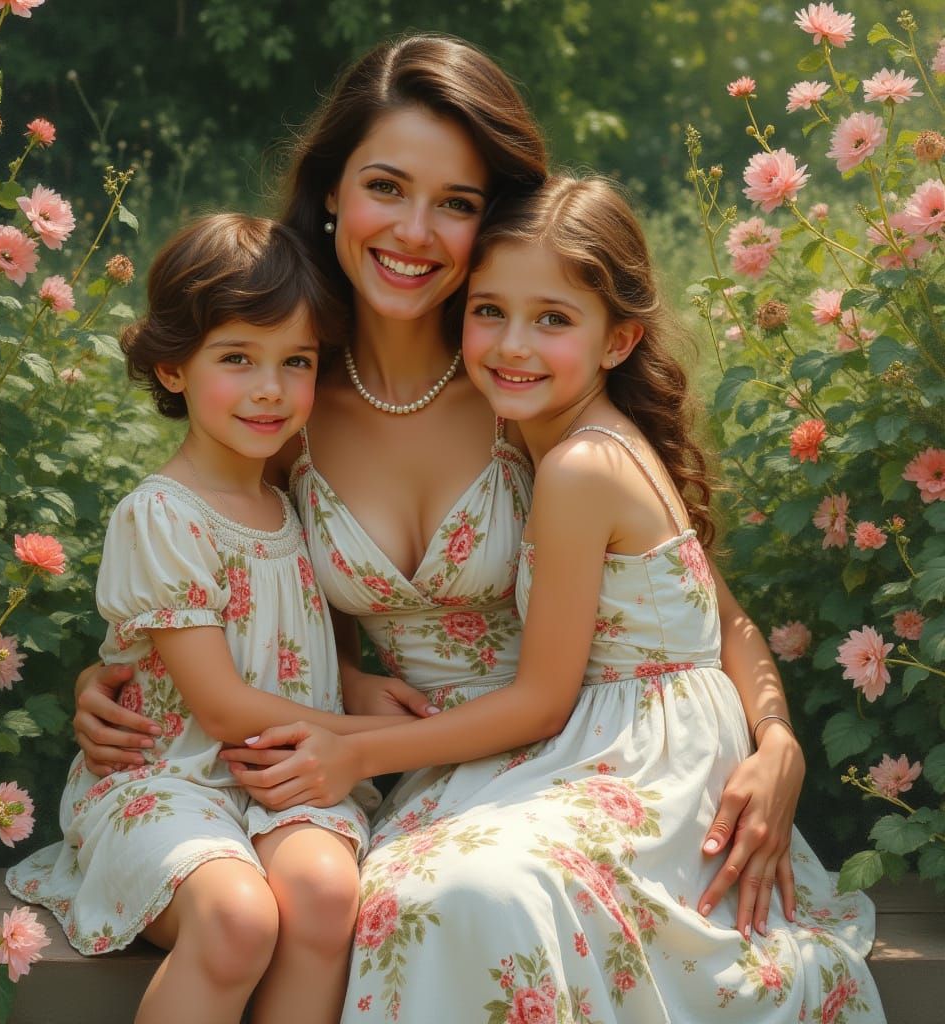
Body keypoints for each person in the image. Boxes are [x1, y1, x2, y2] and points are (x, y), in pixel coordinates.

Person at [73, 31, 809, 1009]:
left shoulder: (526, 391)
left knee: (436, 902)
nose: (414, 231)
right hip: (418, 777)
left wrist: (777, 742)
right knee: (381, 899)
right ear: (332, 190)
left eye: (456, 203)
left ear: (488, 221)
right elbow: (223, 568)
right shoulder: (280, 391)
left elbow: (700, 607)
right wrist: (122, 674)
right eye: (386, 186)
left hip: (577, 772)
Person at [244, 174, 886, 1021]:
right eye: (489, 311)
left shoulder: (580, 464)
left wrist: (353, 751)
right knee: (423, 891)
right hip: (620, 740)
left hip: (639, 757)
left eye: (552, 319)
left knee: (456, 894)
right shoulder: (564, 436)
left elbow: (547, 700)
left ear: (618, 341)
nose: (513, 344)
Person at [6, 214, 400, 1024]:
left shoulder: (291, 498)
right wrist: (356, 734)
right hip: (171, 778)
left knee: (326, 897)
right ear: (173, 367)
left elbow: (305, 640)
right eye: (237, 359)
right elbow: (217, 707)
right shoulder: (162, 516)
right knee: (238, 919)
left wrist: (352, 688)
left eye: (296, 361)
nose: (270, 388)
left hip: (285, 778)